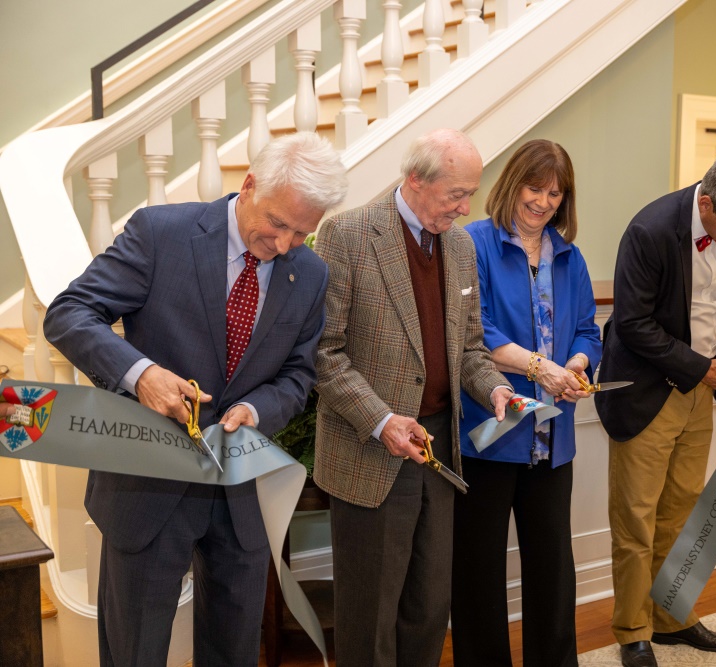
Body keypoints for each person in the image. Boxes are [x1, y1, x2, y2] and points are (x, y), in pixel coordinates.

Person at [41, 132, 347, 666]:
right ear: (249, 185)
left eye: (302, 232)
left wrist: (256, 411)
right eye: (277, 223)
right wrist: (141, 375)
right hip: (147, 486)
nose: (283, 244)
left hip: (240, 493)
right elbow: (68, 313)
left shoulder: (311, 274)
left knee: (232, 653)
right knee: (136, 652)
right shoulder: (161, 233)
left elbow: (298, 375)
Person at [313, 128, 514, 667]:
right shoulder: (348, 235)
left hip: (439, 452)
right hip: (371, 452)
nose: (466, 206)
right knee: (370, 617)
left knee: (429, 607)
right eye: (456, 194)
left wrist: (494, 386)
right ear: (416, 181)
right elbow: (324, 353)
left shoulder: (461, 244)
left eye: (470, 193)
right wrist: (381, 421)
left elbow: (469, 346)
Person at [595, 150, 716, 667]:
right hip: (648, 391)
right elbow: (633, 324)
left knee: (681, 511)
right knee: (636, 519)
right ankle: (633, 630)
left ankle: (672, 617)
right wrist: (704, 368)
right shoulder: (650, 230)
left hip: (702, 391)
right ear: (707, 202)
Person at [450, 139, 602, 667]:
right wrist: (540, 368)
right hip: (489, 436)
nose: (543, 202)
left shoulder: (569, 255)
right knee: (478, 571)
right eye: (535, 188)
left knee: (553, 568)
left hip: (551, 441)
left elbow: (587, 330)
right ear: (513, 184)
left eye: (555, 193)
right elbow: (477, 330)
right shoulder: (472, 244)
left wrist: (578, 366)